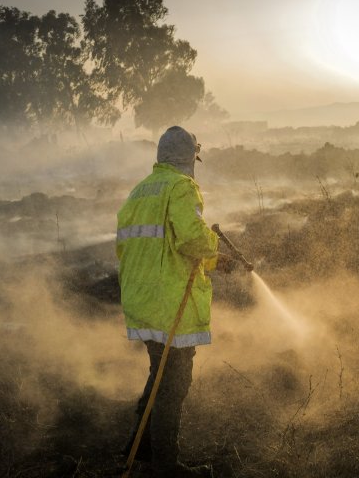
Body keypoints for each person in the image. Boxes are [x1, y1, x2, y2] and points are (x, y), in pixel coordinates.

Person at [116, 126, 233, 477]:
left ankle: (141, 447)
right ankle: (167, 466)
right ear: (188, 159)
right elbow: (191, 238)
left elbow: (161, 247)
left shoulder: (139, 192)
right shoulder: (182, 188)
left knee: (160, 373)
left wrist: (212, 260)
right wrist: (214, 247)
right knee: (175, 383)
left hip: (142, 301)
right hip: (169, 304)